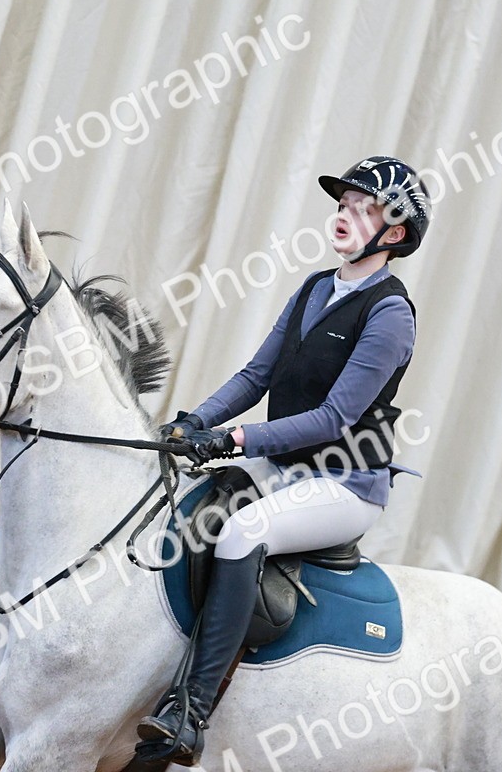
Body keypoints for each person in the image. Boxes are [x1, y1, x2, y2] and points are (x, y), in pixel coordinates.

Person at [136, 156, 431, 765]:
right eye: (343, 205)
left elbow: (333, 420)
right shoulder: (316, 288)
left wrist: (237, 440)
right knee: (191, 500)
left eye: (363, 209)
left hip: (345, 482)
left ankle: (190, 708)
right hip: (285, 463)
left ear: (394, 233)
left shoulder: (390, 314)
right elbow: (256, 375)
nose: (345, 217)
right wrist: (195, 422)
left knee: (243, 531)